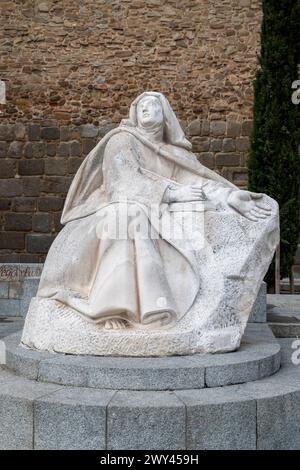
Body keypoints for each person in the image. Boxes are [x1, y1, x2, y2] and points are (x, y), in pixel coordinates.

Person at [36, 91, 272, 330]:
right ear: (134, 115)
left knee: (139, 218)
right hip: (109, 210)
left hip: (150, 213)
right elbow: (122, 182)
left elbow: (196, 182)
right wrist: (170, 194)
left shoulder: (175, 154)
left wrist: (229, 195)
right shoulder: (122, 140)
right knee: (128, 216)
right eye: (140, 107)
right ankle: (110, 308)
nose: (146, 109)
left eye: (152, 105)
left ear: (165, 114)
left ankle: (154, 308)